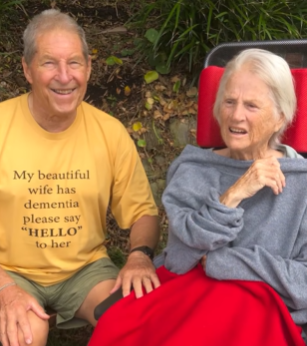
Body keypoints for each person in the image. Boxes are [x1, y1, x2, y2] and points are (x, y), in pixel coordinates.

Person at [88, 49, 307, 346]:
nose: (236, 115)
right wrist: (232, 196)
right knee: (118, 328)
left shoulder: (302, 182)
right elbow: (179, 259)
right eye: (229, 101)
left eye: (252, 105)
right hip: (187, 296)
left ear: (281, 116)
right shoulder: (193, 169)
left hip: (258, 312)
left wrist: (223, 261)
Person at [0, 9, 160, 346]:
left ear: (88, 67)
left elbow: (142, 211)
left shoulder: (109, 132)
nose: (64, 76)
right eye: (48, 63)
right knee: (25, 334)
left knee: (135, 319)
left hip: (85, 273)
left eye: (74, 62)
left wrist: (139, 256)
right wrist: (4, 287)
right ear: (27, 69)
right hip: (9, 271)